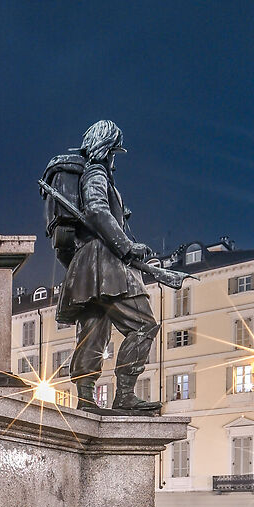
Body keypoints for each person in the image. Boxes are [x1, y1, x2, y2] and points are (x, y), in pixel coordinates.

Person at [39, 120, 181, 411]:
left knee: (93, 330)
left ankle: (85, 398)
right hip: (105, 263)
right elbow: (96, 211)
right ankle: (125, 394)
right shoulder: (96, 172)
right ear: (107, 149)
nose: (115, 158)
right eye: (114, 151)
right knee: (144, 325)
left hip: (85, 267)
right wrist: (127, 246)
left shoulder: (89, 173)